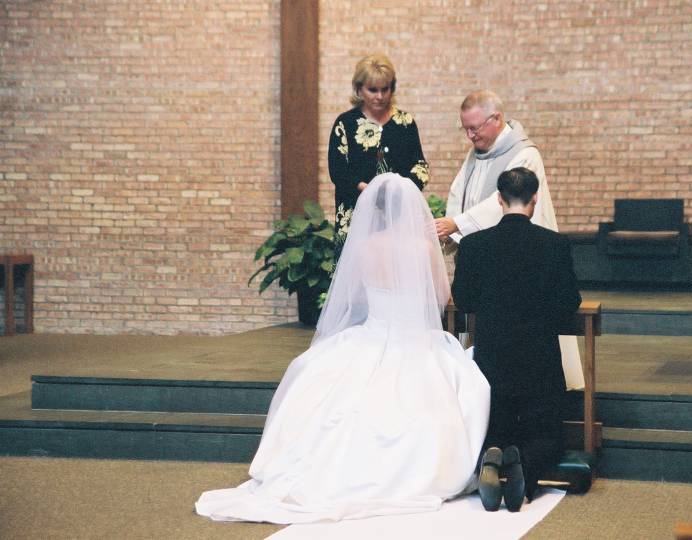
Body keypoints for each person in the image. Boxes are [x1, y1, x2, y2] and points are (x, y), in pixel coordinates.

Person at [196, 174, 489, 524]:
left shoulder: (365, 246)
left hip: (372, 332)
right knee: (464, 384)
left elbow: (356, 294)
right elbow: (440, 296)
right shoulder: (423, 248)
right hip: (413, 339)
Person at [451, 167, 582, 511]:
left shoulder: (474, 245)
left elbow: (464, 299)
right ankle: (525, 464)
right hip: (539, 358)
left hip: (492, 358)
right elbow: (569, 302)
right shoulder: (554, 244)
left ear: (499, 199)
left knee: (496, 420)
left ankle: (494, 452)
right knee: (546, 432)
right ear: (535, 198)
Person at [435, 89, 584, 391]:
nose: (470, 135)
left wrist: (458, 224)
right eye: (465, 128)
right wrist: (453, 225)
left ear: (496, 118)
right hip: (488, 260)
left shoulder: (524, 153)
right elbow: (459, 192)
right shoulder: (476, 152)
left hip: (520, 261)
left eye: (474, 128)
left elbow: (503, 202)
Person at [328, 54, 429, 250]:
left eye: (385, 89)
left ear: (393, 88)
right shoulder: (345, 123)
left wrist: (400, 190)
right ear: (359, 89)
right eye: (373, 90)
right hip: (356, 213)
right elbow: (338, 170)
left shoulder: (405, 122)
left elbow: (420, 166)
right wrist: (368, 190)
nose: (380, 96)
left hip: (398, 215)